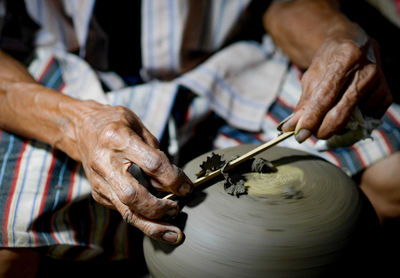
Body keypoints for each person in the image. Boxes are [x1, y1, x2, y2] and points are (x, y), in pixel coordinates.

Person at [0, 0, 399, 276]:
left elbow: (285, 3)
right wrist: (75, 124)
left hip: (229, 65)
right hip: (60, 86)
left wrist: (333, 35)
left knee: (391, 182)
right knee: (8, 254)